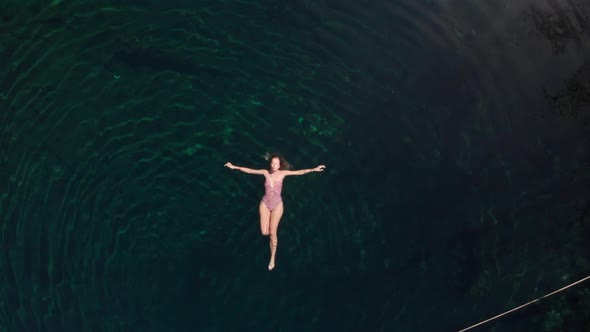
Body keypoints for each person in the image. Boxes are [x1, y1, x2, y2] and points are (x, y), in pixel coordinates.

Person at [224, 153, 326, 270]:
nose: (274, 165)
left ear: (279, 166)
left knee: (273, 233)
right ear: (270, 164)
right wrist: (234, 166)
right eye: (272, 163)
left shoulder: (283, 173)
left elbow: (299, 172)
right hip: (265, 204)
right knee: (264, 232)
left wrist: (314, 169)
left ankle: (272, 258)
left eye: (276, 164)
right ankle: (270, 237)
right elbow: (249, 170)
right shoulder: (265, 172)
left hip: (277, 205)